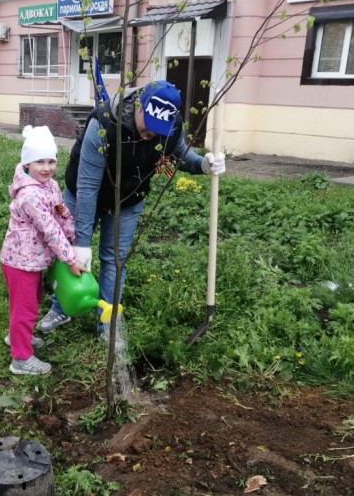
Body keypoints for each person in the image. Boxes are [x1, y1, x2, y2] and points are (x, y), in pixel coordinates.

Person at [39, 80, 226, 339]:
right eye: (148, 125)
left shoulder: (170, 125)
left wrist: (202, 165)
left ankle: (107, 322)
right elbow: (88, 187)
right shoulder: (104, 123)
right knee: (70, 250)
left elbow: (176, 154)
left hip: (128, 199)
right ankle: (61, 308)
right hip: (85, 192)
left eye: (158, 129)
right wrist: (82, 242)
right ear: (138, 104)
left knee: (114, 258)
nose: (151, 134)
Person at [1, 125, 84, 376]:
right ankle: (21, 359)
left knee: (29, 304)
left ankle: (17, 338)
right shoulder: (29, 196)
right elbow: (49, 229)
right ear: (26, 164)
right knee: (25, 308)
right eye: (39, 162)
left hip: (34, 261)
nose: (46, 167)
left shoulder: (51, 186)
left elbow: (60, 213)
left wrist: (72, 234)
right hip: (20, 262)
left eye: (51, 161)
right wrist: (70, 258)